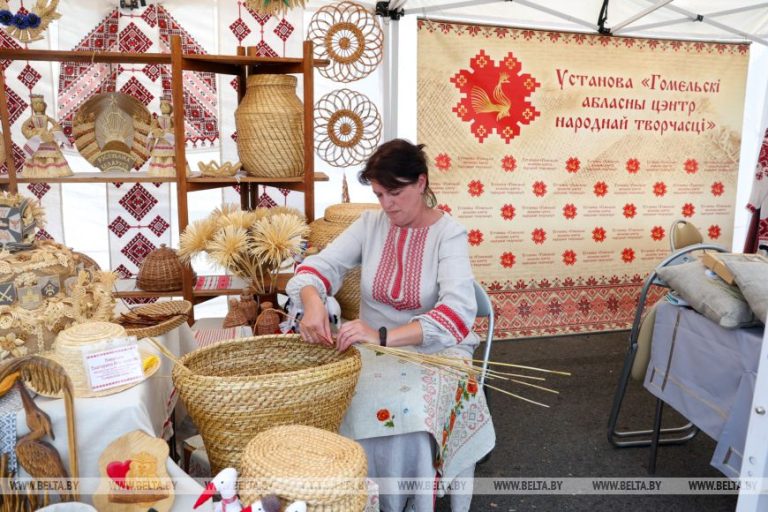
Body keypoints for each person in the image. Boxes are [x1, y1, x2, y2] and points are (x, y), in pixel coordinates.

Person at [286, 139, 495, 512]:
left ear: (421, 182)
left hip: (436, 349)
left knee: (409, 411)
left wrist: (383, 335)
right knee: (339, 395)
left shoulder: (449, 235)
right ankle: (353, 498)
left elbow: (458, 312)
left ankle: (406, 502)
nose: (387, 205)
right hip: (372, 348)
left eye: (395, 192)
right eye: (380, 194)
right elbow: (321, 265)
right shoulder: (370, 225)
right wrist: (312, 300)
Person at [21, 94, 72, 178]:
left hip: (37, 137)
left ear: (33, 107)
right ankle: (50, 170)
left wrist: (29, 133)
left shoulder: (32, 117)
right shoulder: (46, 117)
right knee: (50, 156)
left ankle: (39, 171)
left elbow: (24, 127)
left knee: (37, 155)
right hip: (46, 137)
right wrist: (53, 131)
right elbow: (56, 125)